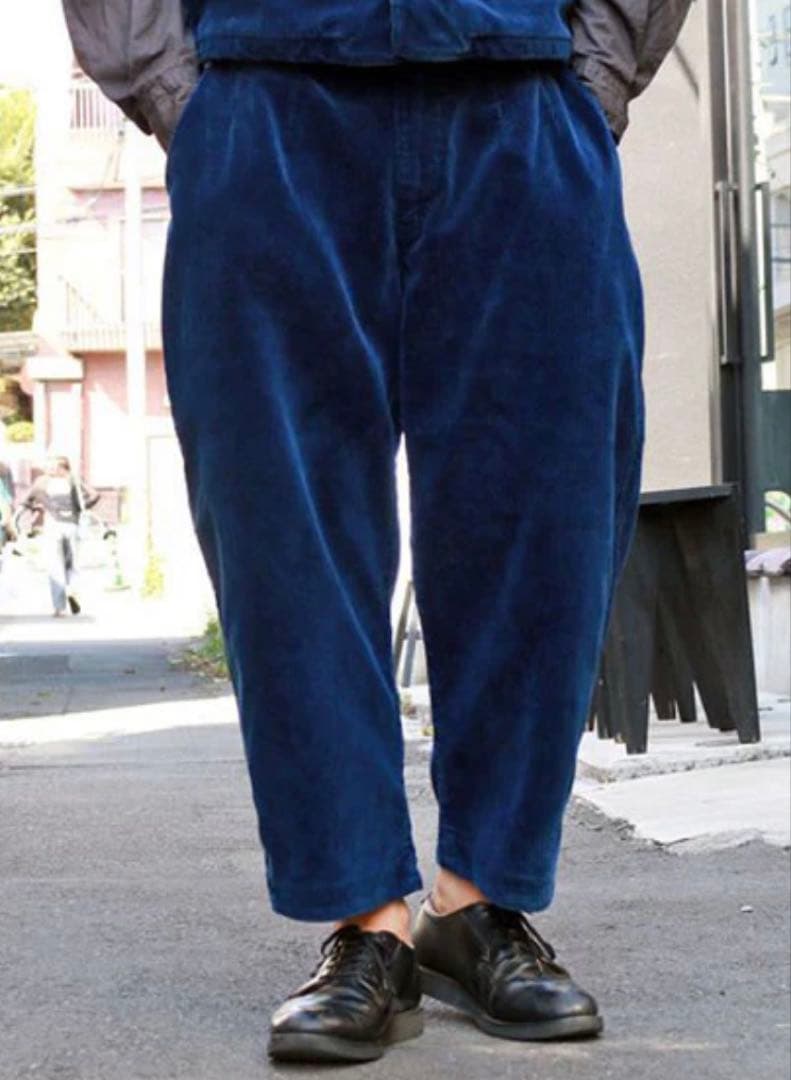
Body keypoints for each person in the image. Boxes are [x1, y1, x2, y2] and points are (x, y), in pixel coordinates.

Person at [63, 0, 693, 1064]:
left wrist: (589, 79)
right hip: (266, 100)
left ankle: (478, 899)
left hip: (521, 99)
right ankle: (367, 921)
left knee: (543, 516)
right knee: (283, 536)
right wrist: (180, 95)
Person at [24, 455, 98, 617]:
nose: (48, 469)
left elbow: (26, 502)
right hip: (72, 525)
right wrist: (80, 508)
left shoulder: (41, 482)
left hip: (53, 526)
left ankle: (60, 608)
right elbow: (94, 495)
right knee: (72, 564)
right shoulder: (74, 480)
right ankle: (72, 592)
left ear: (59, 467)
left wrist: (37, 508)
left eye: (51, 466)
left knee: (55, 566)